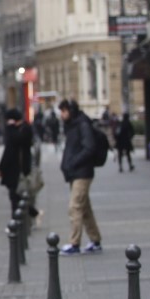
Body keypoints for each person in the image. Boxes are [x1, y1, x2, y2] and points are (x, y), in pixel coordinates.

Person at [58, 98, 102, 255]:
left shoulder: (82, 125)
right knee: (84, 208)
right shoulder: (72, 126)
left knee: (75, 206)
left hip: (82, 173)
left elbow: (89, 148)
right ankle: (95, 240)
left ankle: (74, 243)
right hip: (75, 173)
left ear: (71, 111)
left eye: (64, 111)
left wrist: (73, 163)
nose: (62, 115)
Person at [0, 108, 36, 218]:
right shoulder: (17, 129)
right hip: (14, 169)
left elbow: (11, 146)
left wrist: (10, 128)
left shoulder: (23, 130)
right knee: (16, 195)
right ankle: (31, 213)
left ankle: (21, 218)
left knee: (16, 196)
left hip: (19, 169)